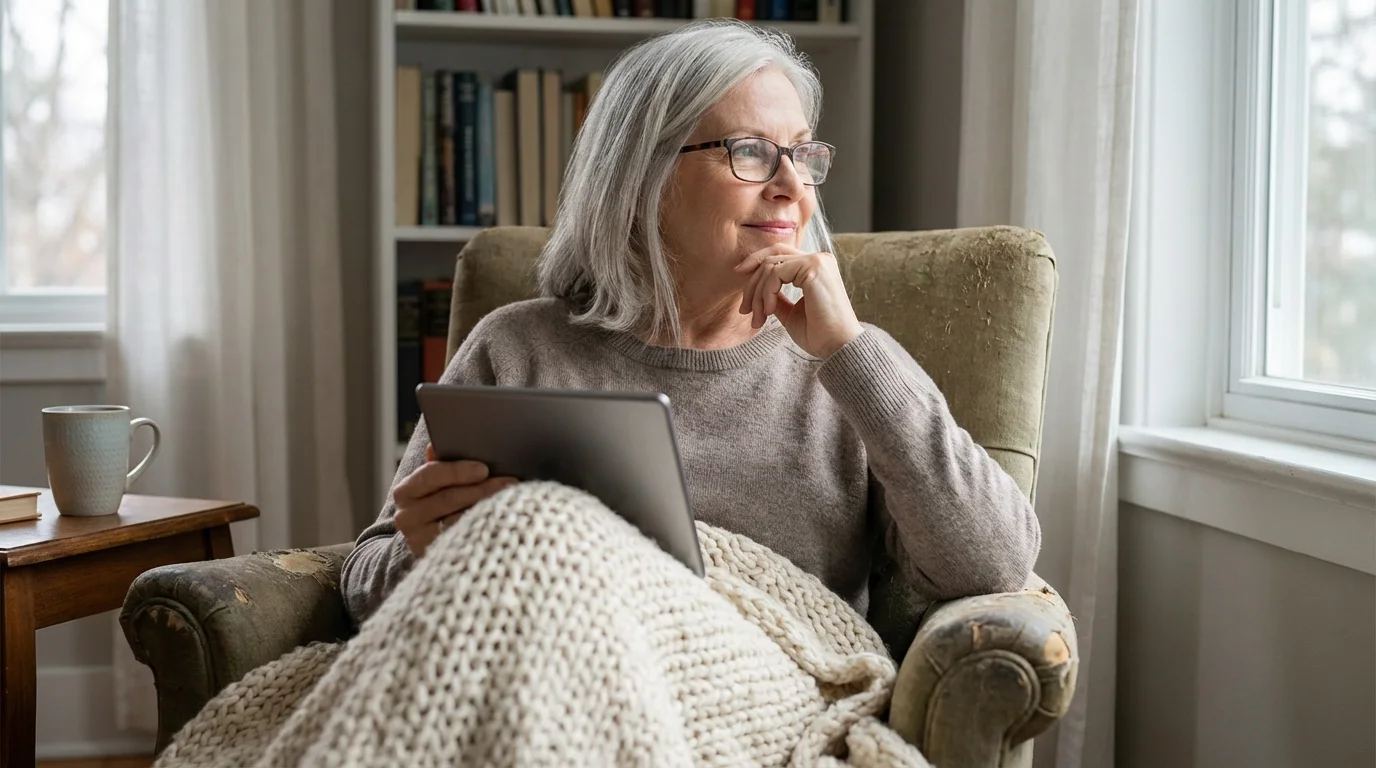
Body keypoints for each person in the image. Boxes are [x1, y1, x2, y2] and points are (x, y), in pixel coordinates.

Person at [341, 20, 1040, 628]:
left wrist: (846, 350)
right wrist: (430, 553)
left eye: (803, 154)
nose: (793, 187)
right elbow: (364, 584)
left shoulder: (854, 371)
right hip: (553, 677)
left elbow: (992, 563)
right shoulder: (517, 348)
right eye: (752, 152)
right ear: (641, 176)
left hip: (757, 702)